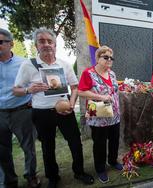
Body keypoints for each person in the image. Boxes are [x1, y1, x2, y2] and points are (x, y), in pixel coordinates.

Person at [13, 28, 94, 188]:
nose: (46, 44)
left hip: (65, 110)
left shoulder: (63, 64)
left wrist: (71, 103)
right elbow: (16, 90)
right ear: (36, 45)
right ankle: (53, 177)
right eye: (42, 41)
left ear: (55, 45)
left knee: (75, 143)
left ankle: (79, 172)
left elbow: (75, 86)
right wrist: (29, 90)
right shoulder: (28, 65)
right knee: (47, 146)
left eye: (50, 41)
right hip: (41, 113)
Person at [0, 28, 40, 188]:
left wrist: (32, 99)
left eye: (0, 42)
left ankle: (31, 176)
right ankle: (9, 181)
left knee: (28, 148)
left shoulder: (24, 63)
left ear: (11, 44)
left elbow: (35, 85)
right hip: (0, 114)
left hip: (21, 112)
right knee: (2, 151)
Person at [78, 45, 122, 184]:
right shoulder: (88, 73)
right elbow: (81, 91)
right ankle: (101, 168)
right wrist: (101, 97)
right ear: (97, 58)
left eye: (111, 57)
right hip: (98, 115)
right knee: (100, 143)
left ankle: (113, 161)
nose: (109, 60)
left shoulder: (112, 73)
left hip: (114, 114)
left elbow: (114, 91)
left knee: (114, 140)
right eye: (106, 57)